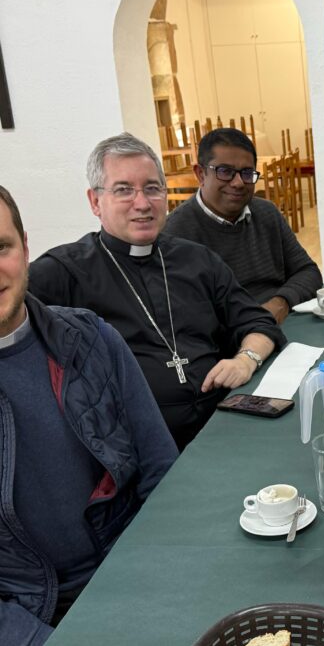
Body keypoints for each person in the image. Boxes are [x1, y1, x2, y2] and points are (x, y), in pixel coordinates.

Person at [0, 186, 177, 646]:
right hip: (23, 616)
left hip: (125, 575)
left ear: (26, 246)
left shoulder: (92, 340)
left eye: (1, 248)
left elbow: (160, 471)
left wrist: (158, 580)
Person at [29, 133, 286, 449]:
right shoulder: (62, 271)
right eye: (124, 190)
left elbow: (258, 323)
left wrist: (246, 360)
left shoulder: (198, 259)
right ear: (95, 201)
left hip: (223, 424)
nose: (142, 203)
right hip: (134, 446)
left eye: (152, 188)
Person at [162, 127, 321, 324]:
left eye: (247, 173)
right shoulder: (174, 234)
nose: (238, 183)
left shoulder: (266, 213)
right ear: (201, 174)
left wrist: (280, 303)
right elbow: (185, 313)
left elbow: (308, 271)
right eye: (225, 171)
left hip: (282, 321)